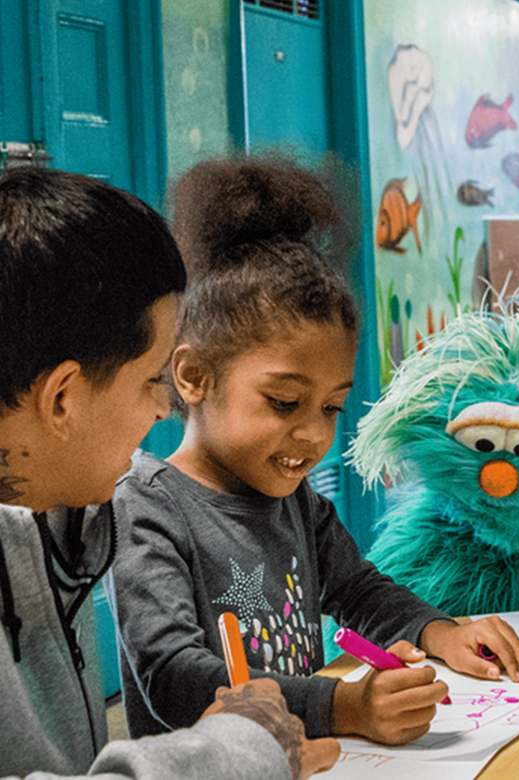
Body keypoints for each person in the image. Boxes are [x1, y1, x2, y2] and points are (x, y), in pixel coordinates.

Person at [107, 154, 519, 747]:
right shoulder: (147, 508)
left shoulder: (294, 499)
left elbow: (357, 589)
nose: (314, 436)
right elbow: (175, 681)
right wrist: (340, 706)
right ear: (193, 376)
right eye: (284, 402)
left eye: (332, 408)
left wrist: (437, 630)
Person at [0, 165, 338, 779]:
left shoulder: (56, 512)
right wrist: (244, 748)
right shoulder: (136, 503)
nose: (163, 407)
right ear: (62, 399)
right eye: (151, 380)